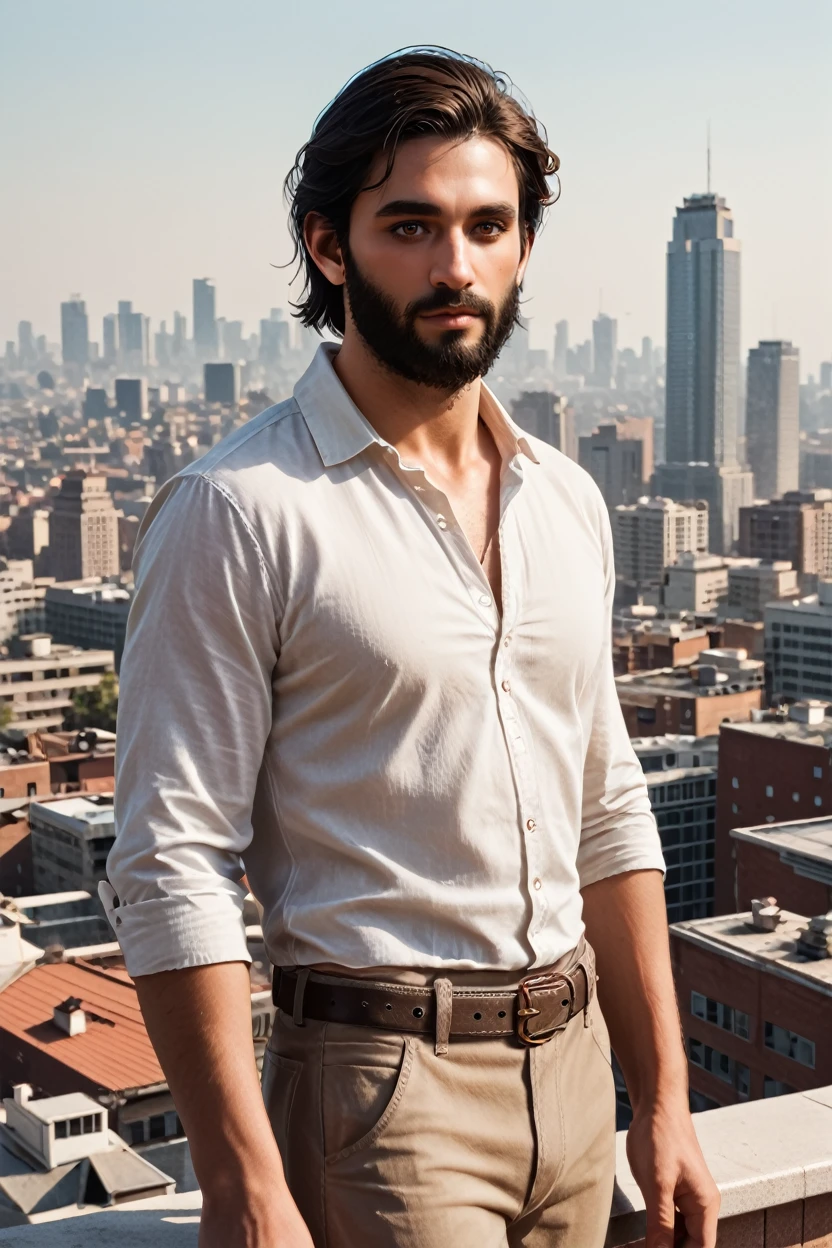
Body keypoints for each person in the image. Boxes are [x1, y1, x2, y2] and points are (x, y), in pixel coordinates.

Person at [103, 47, 719, 1248]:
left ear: (524, 248)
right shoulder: (241, 508)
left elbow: (605, 809)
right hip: (384, 1095)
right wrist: (242, 1183)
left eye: (488, 225)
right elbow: (170, 858)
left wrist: (669, 1100)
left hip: (578, 1078)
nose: (455, 266)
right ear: (329, 248)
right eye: (410, 226)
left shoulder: (565, 499)